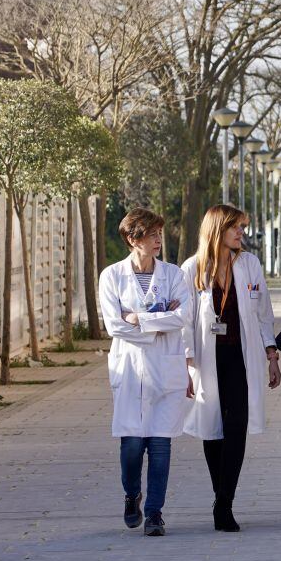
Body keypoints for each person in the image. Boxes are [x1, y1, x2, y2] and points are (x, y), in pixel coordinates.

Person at [182, 204, 281, 532]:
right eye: (235, 227)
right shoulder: (194, 268)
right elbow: (185, 322)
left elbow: (263, 311)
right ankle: (220, 495)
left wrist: (272, 355)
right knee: (213, 429)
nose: (241, 233)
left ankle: (224, 502)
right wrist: (186, 364)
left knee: (236, 426)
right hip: (207, 359)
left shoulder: (250, 264)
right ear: (217, 230)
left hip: (241, 357)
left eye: (242, 227)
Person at [98, 208, 193, 537]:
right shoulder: (112, 276)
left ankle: (154, 512)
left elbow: (184, 317)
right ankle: (131, 495)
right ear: (131, 239)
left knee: (161, 446)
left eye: (159, 233)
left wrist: (139, 318)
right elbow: (114, 326)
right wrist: (159, 321)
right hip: (131, 370)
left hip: (167, 369)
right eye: (151, 234)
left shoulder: (174, 275)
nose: (158, 240)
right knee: (133, 445)